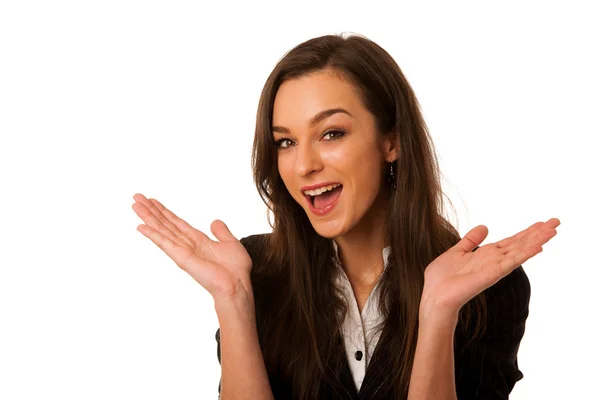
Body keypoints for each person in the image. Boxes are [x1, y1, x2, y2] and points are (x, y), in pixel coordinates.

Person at [131, 33, 560, 400]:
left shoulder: (484, 290)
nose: (303, 166)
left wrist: (438, 313)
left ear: (391, 141)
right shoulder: (254, 273)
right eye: (285, 142)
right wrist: (234, 301)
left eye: (331, 133)